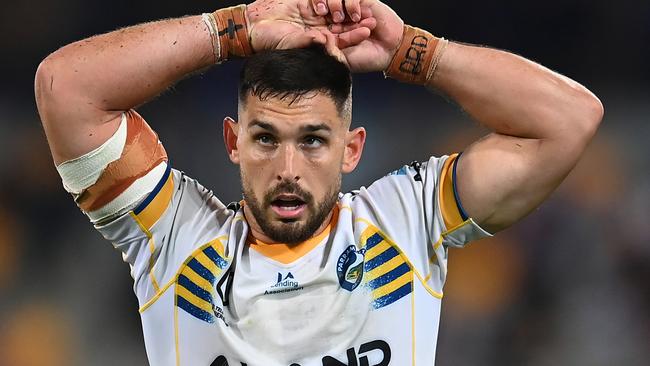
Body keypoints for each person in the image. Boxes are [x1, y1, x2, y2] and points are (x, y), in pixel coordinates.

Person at [34, 0, 603, 365]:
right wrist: (234, 30)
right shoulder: (175, 239)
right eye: (265, 140)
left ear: (350, 149)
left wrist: (412, 52)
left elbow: (570, 121)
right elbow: (65, 87)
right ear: (233, 142)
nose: (287, 170)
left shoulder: (406, 221)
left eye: (312, 140)